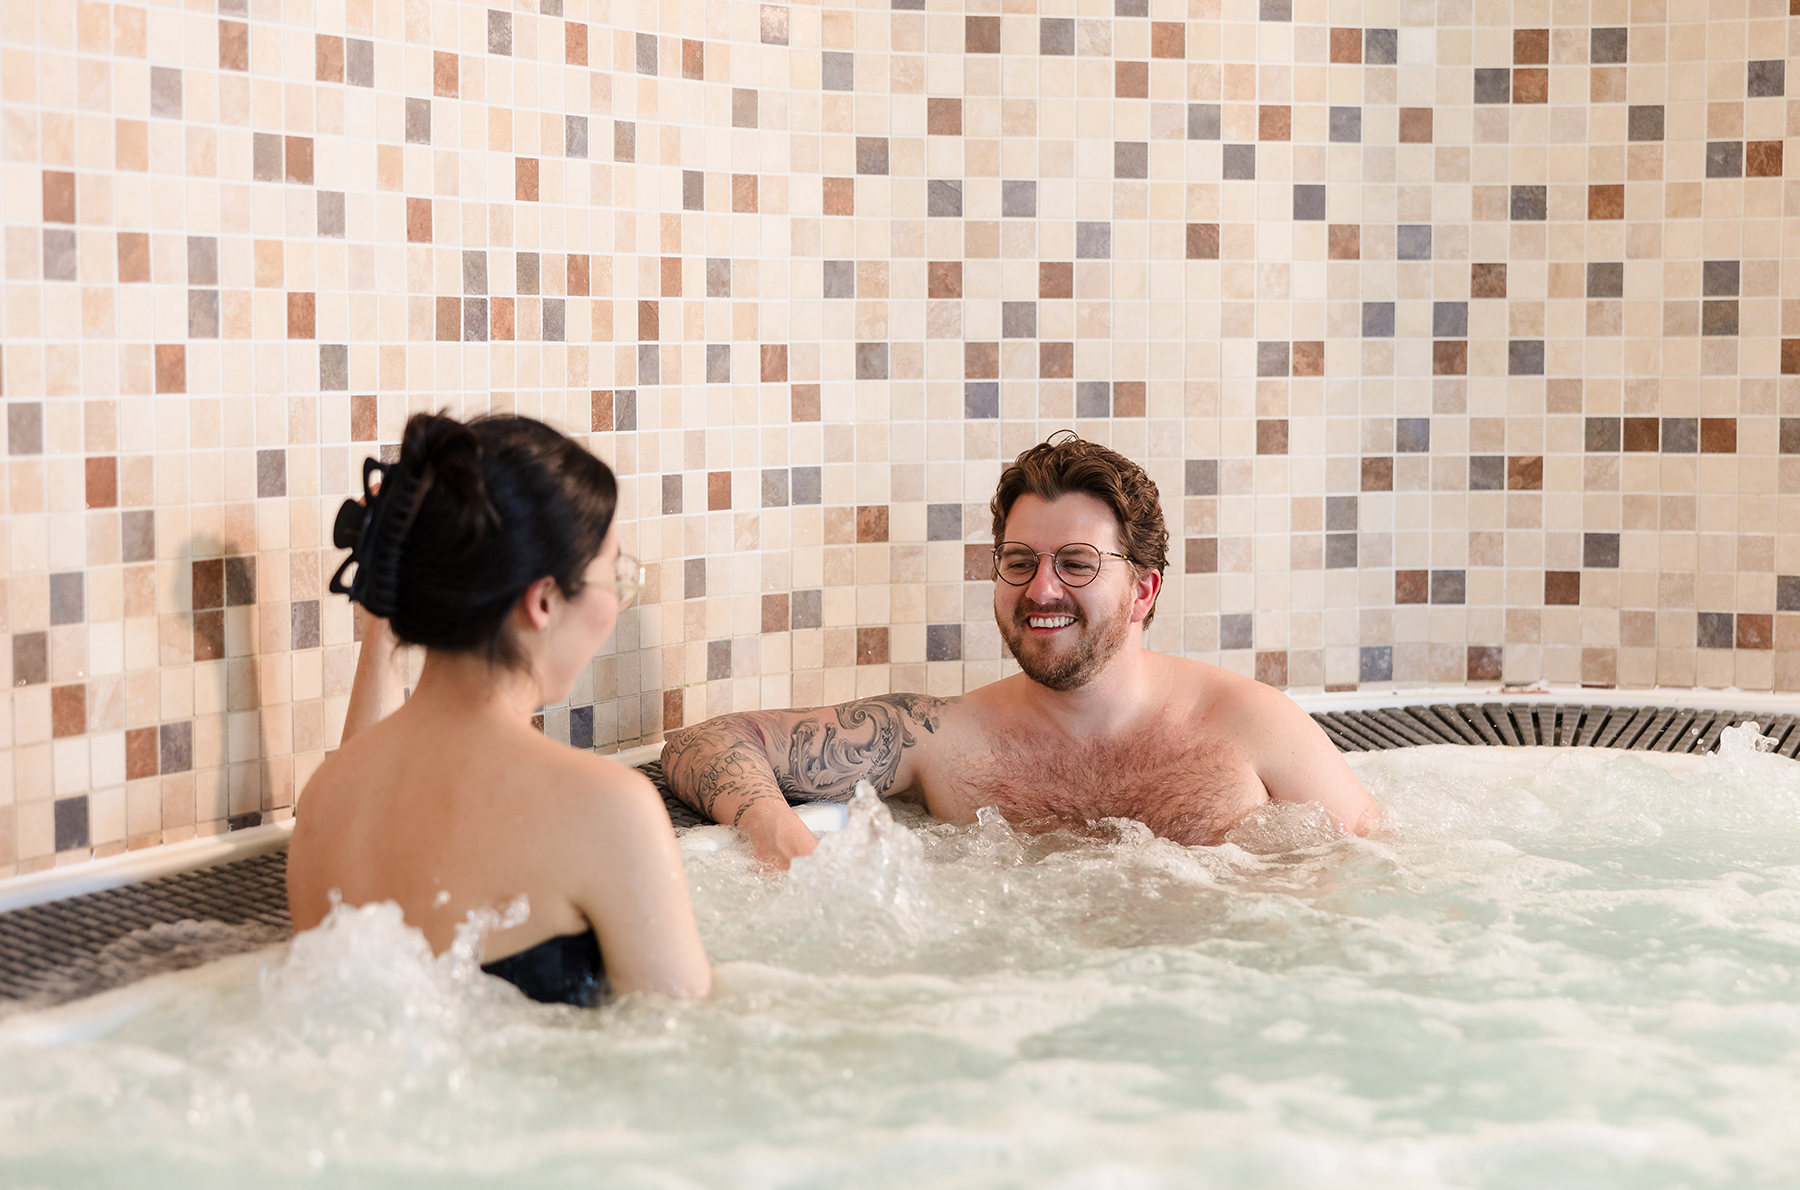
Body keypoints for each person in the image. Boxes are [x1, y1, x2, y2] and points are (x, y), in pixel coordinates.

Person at [662, 433, 1380, 868]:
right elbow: (709, 742)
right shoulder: (944, 737)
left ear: (1143, 591)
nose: (1041, 590)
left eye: (1076, 562)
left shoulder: (1252, 727)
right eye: (1019, 561)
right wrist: (770, 827)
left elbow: (1386, 879)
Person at [288, 413, 711, 1005]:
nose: (619, 599)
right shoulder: (604, 809)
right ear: (542, 599)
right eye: (614, 574)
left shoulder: (325, 805)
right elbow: (692, 1047)